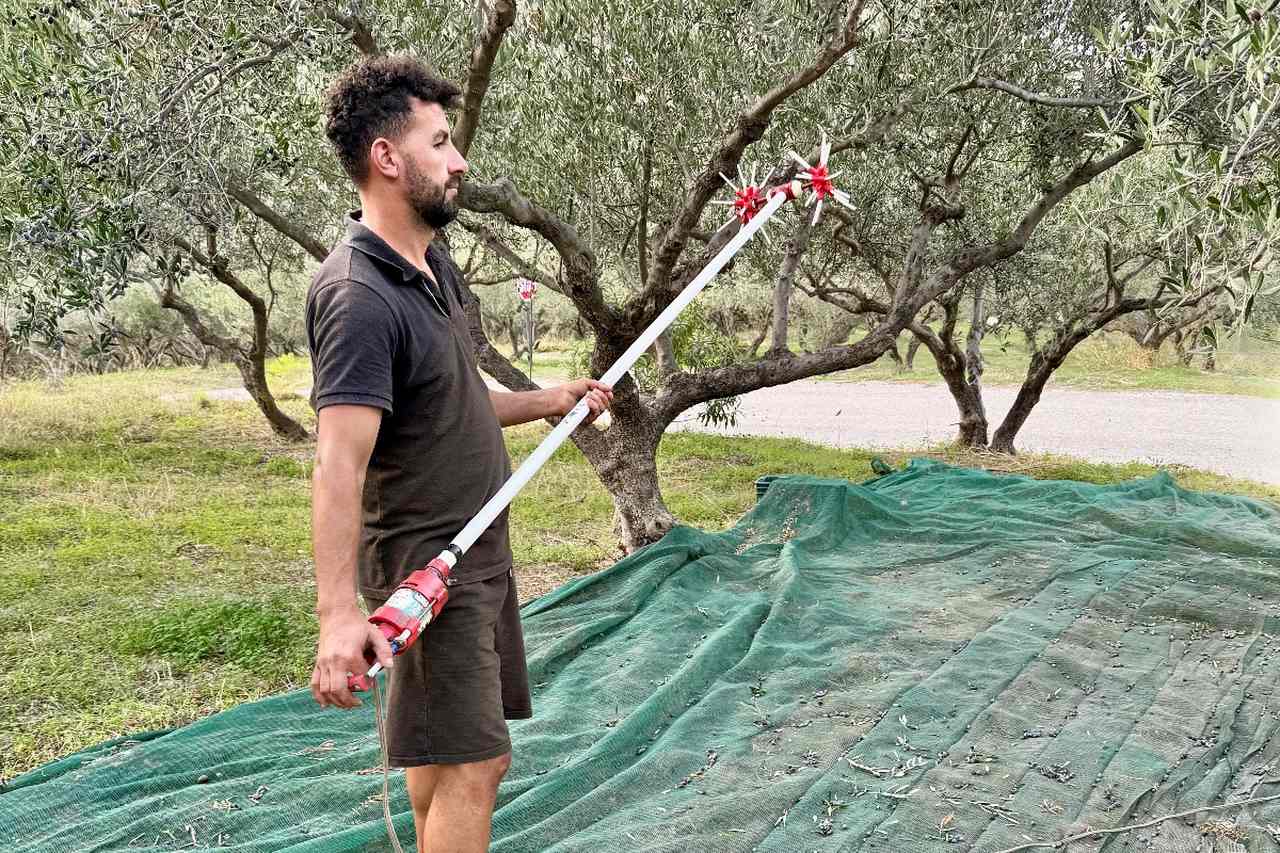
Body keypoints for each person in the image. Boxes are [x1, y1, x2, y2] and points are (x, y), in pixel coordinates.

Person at [306, 55, 613, 852]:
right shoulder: (359, 296)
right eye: (439, 142)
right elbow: (338, 463)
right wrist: (339, 613)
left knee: (444, 755)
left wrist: (549, 399)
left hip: (474, 550)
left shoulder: (429, 264)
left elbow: (451, 401)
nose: (459, 159)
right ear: (387, 157)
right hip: (426, 566)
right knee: (478, 762)